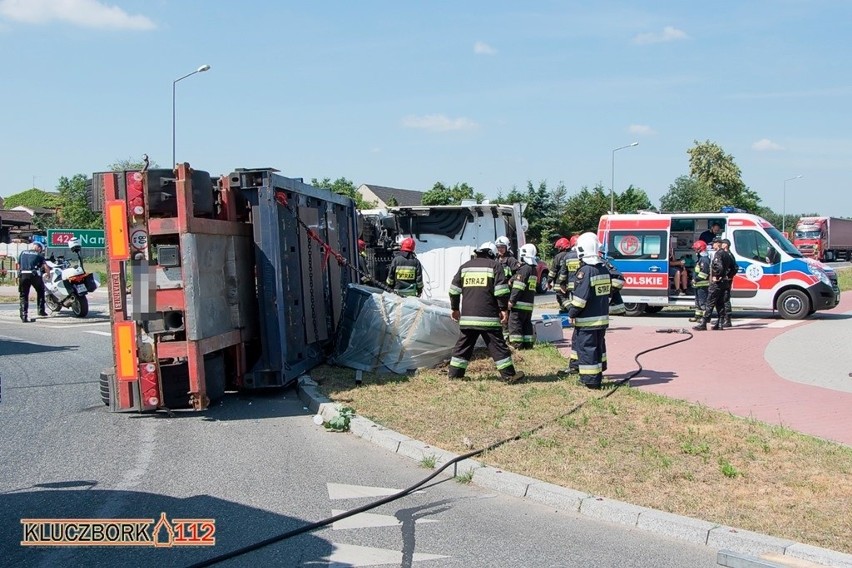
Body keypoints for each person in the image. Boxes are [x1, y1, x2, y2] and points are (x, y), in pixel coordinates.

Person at [448, 242, 524, 383]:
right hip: (488, 317)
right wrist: (503, 310)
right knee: (498, 346)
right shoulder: (495, 266)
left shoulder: (465, 267)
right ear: (491, 254)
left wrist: (455, 309)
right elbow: (501, 292)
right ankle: (509, 375)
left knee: (463, 346)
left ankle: (454, 375)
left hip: (468, 318)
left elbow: (453, 290)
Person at [562, 233, 611, 389]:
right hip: (601, 319)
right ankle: (597, 376)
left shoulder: (586, 271)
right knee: (598, 348)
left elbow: (580, 300)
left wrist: (572, 313)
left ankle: (590, 381)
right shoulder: (603, 268)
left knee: (587, 349)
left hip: (587, 320)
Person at [693, 237, 737, 331]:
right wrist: (728, 276)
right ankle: (720, 323)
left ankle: (703, 323)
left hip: (717, 283)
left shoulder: (718, 254)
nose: (712, 246)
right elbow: (734, 268)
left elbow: (719, 267)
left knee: (710, 302)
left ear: (718, 244)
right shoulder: (727, 254)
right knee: (720, 303)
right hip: (725, 282)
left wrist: (717, 276)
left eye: (713, 244)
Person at [507, 244, 538, 350]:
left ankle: (517, 345)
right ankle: (528, 344)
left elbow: (518, 287)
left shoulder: (524, 269)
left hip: (519, 304)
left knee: (515, 324)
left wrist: (512, 300)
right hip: (528, 304)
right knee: (526, 324)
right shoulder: (533, 269)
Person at [17, 240, 47, 322]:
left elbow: (19, 265)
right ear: (38, 248)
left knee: (23, 295)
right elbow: (45, 266)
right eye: (40, 249)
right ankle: (41, 311)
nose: (40, 250)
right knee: (40, 290)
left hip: (23, 275)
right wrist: (48, 274)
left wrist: (18, 275)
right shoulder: (39, 255)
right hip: (34, 276)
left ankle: (23, 315)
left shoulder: (23, 253)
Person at [689, 240, 711, 322]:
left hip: (703, 285)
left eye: (695, 249)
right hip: (698, 285)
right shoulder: (700, 259)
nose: (695, 251)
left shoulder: (704, 260)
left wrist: (695, 279)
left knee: (703, 302)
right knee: (698, 302)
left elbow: (704, 274)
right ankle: (698, 316)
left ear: (700, 249)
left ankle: (705, 318)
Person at [718, 238, 738, 327]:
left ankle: (727, 319)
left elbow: (734, 268)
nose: (721, 245)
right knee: (723, 298)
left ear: (725, 245)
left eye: (722, 244)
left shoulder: (729, 255)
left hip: (727, 280)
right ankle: (724, 319)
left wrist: (729, 277)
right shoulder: (727, 254)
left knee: (725, 299)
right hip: (726, 279)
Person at [548, 237, 570, 309]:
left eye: (558, 247)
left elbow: (553, 271)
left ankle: (569, 311)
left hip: (559, 283)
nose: (558, 249)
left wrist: (549, 281)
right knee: (569, 299)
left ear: (561, 247)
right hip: (570, 283)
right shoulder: (571, 255)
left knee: (561, 299)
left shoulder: (558, 257)